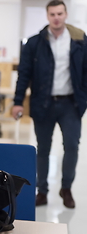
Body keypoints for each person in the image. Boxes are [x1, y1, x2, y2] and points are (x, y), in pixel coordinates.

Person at [11, 0, 87, 209]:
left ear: (66, 14)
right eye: (52, 14)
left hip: (70, 104)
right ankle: (42, 190)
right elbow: (24, 74)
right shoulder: (35, 43)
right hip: (43, 103)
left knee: (71, 147)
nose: (56, 17)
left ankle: (66, 188)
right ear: (47, 16)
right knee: (42, 149)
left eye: (59, 13)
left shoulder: (79, 40)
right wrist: (18, 102)